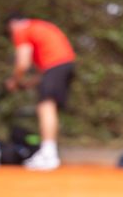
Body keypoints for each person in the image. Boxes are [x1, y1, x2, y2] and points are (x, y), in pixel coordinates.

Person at [5, 13, 77, 172]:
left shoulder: (21, 29)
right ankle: (48, 152)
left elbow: (23, 63)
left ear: (12, 24)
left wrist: (14, 81)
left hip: (56, 66)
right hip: (66, 64)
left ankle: (49, 154)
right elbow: (44, 73)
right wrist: (28, 83)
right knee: (49, 106)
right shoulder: (39, 27)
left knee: (46, 106)